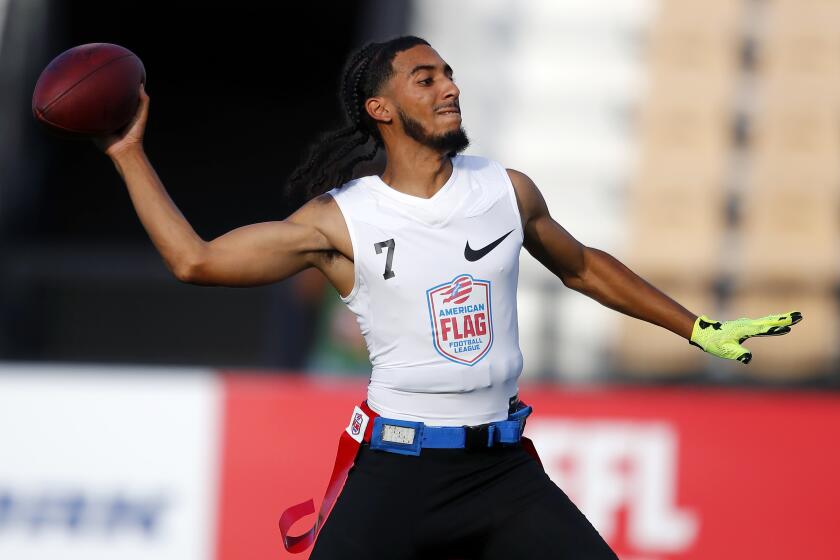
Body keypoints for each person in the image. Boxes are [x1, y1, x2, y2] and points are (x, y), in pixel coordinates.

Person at [95, 36, 802, 560]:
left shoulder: (506, 189)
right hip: (397, 474)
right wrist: (128, 152)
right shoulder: (342, 219)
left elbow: (582, 266)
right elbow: (195, 262)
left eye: (449, 74)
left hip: (501, 473)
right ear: (380, 108)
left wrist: (698, 326)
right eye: (424, 78)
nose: (448, 87)